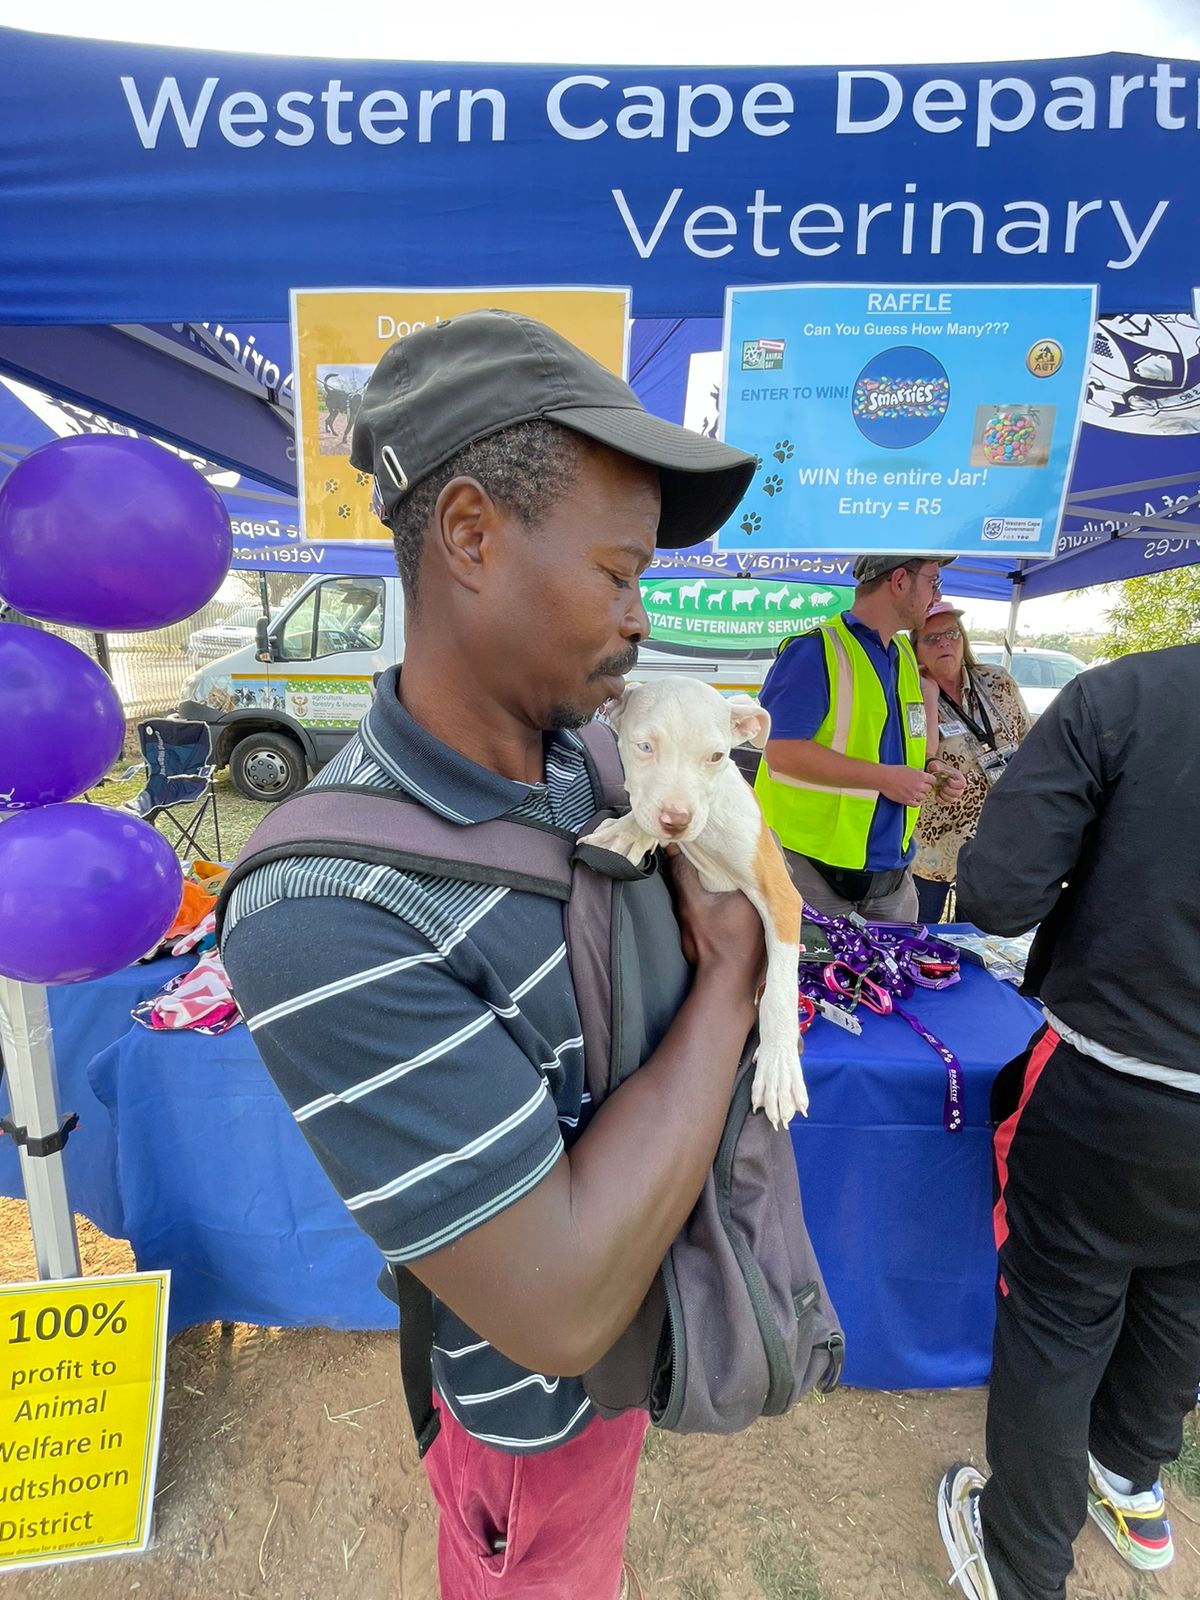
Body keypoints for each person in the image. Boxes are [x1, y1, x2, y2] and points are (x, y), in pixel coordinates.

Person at [218, 309, 767, 1600]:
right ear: (470, 535)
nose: (642, 620)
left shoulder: (595, 766)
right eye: (620, 575)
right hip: (534, 1431)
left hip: (632, 1376)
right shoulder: (328, 904)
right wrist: (735, 984)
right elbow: (565, 1303)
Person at [936, 643, 1200, 1600]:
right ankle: (1129, 1479)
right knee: (1184, 1299)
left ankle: (1022, 1563)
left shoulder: (1124, 698)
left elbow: (999, 891)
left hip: (1118, 1080)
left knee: (1059, 1311)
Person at [754, 553, 967, 921]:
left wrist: (932, 769)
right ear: (899, 581)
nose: (936, 595)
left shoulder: (900, 653)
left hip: (891, 876)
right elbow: (781, 752)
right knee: (815, 981)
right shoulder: (814, 652)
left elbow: (900, 743)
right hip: (810, 875)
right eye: (933, 582)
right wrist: (885, 779)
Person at [909, 601, 1031, 923]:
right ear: (915, 650)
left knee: (975, 939)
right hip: (933, 844)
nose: (945, 643)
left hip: (994, 839)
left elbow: (1029, 742)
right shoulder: (909, 693)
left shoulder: (996, 681)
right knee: (924, 941)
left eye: (951, 633)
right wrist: (929, 696)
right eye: (932, 639)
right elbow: (922, 753)